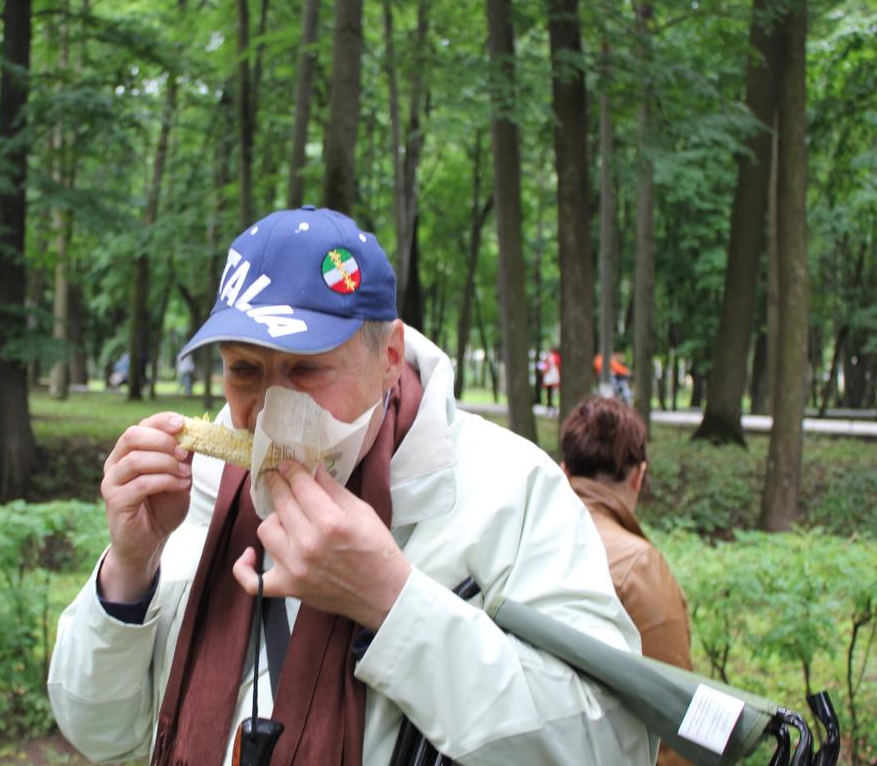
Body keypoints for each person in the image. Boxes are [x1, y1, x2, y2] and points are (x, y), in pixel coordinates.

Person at [48, 207, 655, 765]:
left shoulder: (510, 489)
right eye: (246, 370)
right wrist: (129, 570)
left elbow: (612, 745)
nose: (272, 410)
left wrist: (392, 601)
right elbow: (101, 732)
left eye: (307, 368)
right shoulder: (196, 491)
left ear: (389, 356)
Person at [560, 395, 693, 766]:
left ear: (563, 472)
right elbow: (674, 717)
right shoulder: (638, 566)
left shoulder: (522, 541)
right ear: (639, 476)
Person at [538, 347, 560, 411]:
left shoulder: (551, 357)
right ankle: (549, 404)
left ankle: (550, 404)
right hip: (550, 376)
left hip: (551, 376)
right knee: (550, 390)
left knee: (551, 390)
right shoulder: (550, 357)